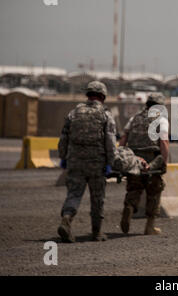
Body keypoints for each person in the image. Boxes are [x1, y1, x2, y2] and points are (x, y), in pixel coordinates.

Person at [57, 81, 117, 243]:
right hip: (96, 164)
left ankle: (67, 219)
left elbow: (64, 137)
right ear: (103, 97)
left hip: (75, 162)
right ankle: (96, 233)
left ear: (88, 95)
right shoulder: (105, 115)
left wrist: (63, 158)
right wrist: (110, 162)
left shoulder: (74, 113)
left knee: (74, 194)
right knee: (97, 198)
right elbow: (110, 142)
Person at [119, 93, 169, 235]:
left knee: (134, 187)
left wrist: (122, 157)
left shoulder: (134, 118)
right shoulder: (161, 120)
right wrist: (163, 162)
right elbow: (164, 142)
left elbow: (123, 138)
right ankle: (150, 226)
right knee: (155, 190)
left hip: (134, 159)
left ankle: (129, 207)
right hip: (152, 159)